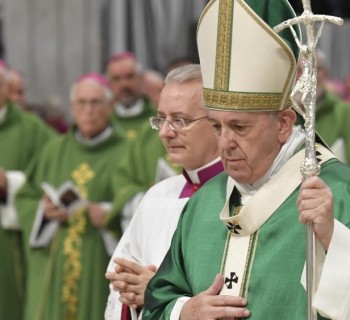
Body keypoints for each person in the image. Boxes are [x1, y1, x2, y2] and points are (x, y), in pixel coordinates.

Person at [143, 1, 350, 319]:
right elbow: (160, 299)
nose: (224, 143)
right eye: (216, 126)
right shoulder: (205, 201)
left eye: (239, 127)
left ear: (282, 124)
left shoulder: (337, 191)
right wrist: (184, 312)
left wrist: (333, 239)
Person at [104, 64, 223, 320]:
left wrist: (157, 292)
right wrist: (131, 296)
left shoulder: (241, 196)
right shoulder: (157, 196)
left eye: (180, 120)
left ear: (217, 123)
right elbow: (120, 278)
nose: (166, 133)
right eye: (161, 119)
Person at [16, 74, 129, 320]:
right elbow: (25, 197)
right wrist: (42, 211)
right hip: (54, 264)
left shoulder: (127, 152)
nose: (88, 110)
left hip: (98, 262)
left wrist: (109, 212)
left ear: (110, 106)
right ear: (72, 107)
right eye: (81, 103)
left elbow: (139, 203)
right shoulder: (53, 150)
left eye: (95, 103)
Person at [0, 62, 56, 320]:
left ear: (4, 88)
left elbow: (53, 178)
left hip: (9, 243)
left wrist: (9, 183)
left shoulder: (32, 128)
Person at [296, 50, 350, 163]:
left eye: (313, 69)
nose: (306, 77)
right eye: (299, 70)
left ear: (325, 73)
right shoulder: (280, 115)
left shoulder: (345, 113)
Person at [105, 51, 156, 140]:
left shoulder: (158, 116)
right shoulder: (103, 122)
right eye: (117, 79)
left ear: (141, 78)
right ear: (109, 83)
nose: (124, 84)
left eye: (130, 77)